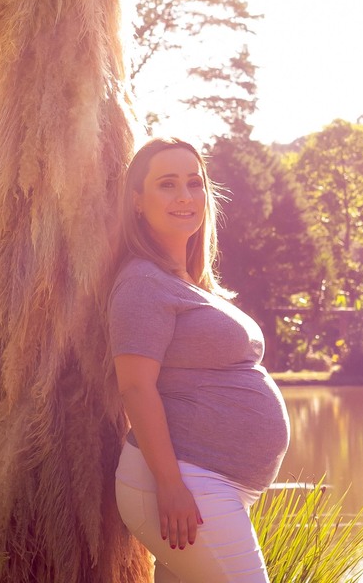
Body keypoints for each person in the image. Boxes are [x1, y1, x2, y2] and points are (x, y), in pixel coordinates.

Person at [109, 137, 290, 583]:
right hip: (183, 483)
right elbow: (135, 387)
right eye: (167, 184)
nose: (185, 196)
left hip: (208, 483)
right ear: (137, 202)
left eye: (194, 182)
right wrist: (170, 486)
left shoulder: (186, 283)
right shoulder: (142, 283)